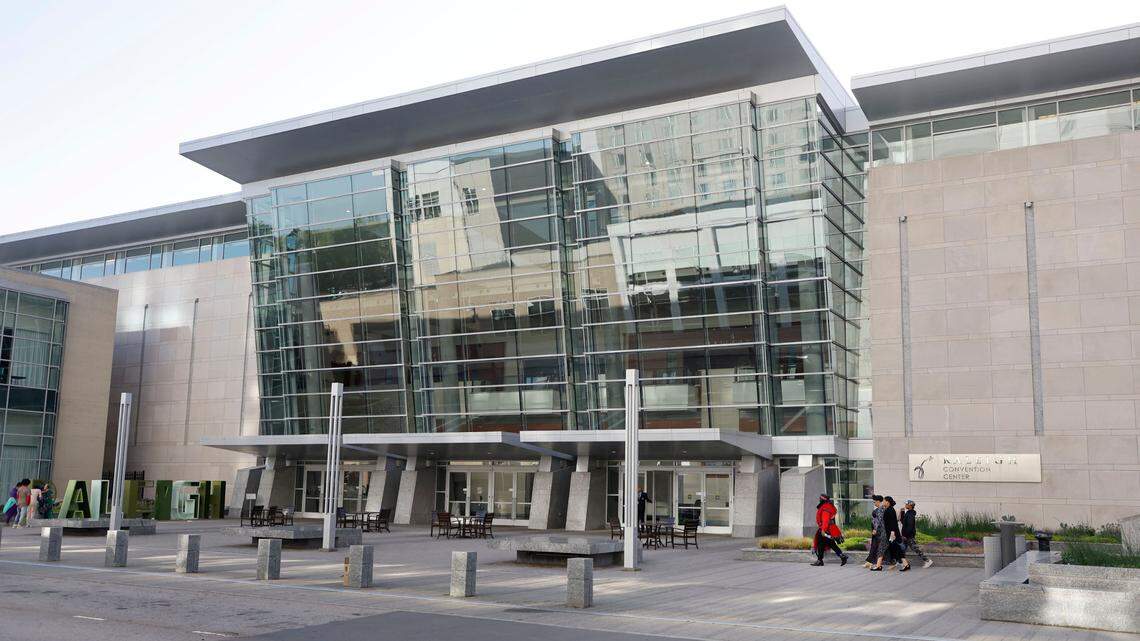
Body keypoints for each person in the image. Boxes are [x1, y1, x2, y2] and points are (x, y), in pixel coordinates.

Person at [810, 493, 849, 566]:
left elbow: (825, 520)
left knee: (820, 544)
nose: (819, 500)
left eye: (820, 499)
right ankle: (842, 556)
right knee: (831, 544)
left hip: (825, 529)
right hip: (829, 529)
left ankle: (820, 560)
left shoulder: (826, 508)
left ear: (822, 500)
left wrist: (823, 530)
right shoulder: (828, 506)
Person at [899, 499, 933, 570]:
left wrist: (905, 535)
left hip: (908, 536)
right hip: (906, 536)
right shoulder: (908, 513)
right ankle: (901, 562)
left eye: (906, 504)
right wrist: (902, 512)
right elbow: (903, 522)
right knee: (901, 549)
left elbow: (910, 526)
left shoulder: (910, 514)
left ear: (910, 505)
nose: (905, 505)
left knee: (915, 549)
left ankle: (927, 560)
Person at [872, 495, 901, 571]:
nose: (883, 502)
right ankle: (898, 563)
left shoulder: (883, 509)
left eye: (884, 501)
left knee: (881, 548)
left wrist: (876, 530)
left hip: (885, 532)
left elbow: (881, 522)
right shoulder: (885, 509)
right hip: (885, 532)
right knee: (890, 548)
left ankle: (879, 566)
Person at [863, 495, 884, 568]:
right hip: (877, 532)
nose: (874, 503)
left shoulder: (881, 510)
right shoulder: (878, 509)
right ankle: (869, 562)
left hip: (879, 532)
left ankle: (896, 561)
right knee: (874, 546)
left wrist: (875, 529)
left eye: (874, 502)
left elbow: (879, 521)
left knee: (877, 547)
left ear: (878, 501)